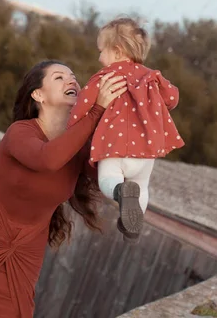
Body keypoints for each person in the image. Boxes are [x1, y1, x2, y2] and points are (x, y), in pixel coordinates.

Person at [0, 60, 127, 318]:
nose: (71, 81)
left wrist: (123, 114)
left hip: (26, 249)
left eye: (73, 77)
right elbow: (47, 160)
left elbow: (109, 173)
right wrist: (95, 113)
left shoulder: (80, 147)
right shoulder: (20, 133)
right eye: (59, 77)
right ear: (38, 95)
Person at [67, 17, 184, 243]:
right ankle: (133, 223)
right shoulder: (152, 77)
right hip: (146, 150)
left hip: (114, 147)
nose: (99, 56)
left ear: (117, 52)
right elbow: (173, 98)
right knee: (141, 186)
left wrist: (71, 130)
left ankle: (120, 193)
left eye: (101, 50)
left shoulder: (105, 77)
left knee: (108, 180)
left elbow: (81, 107)